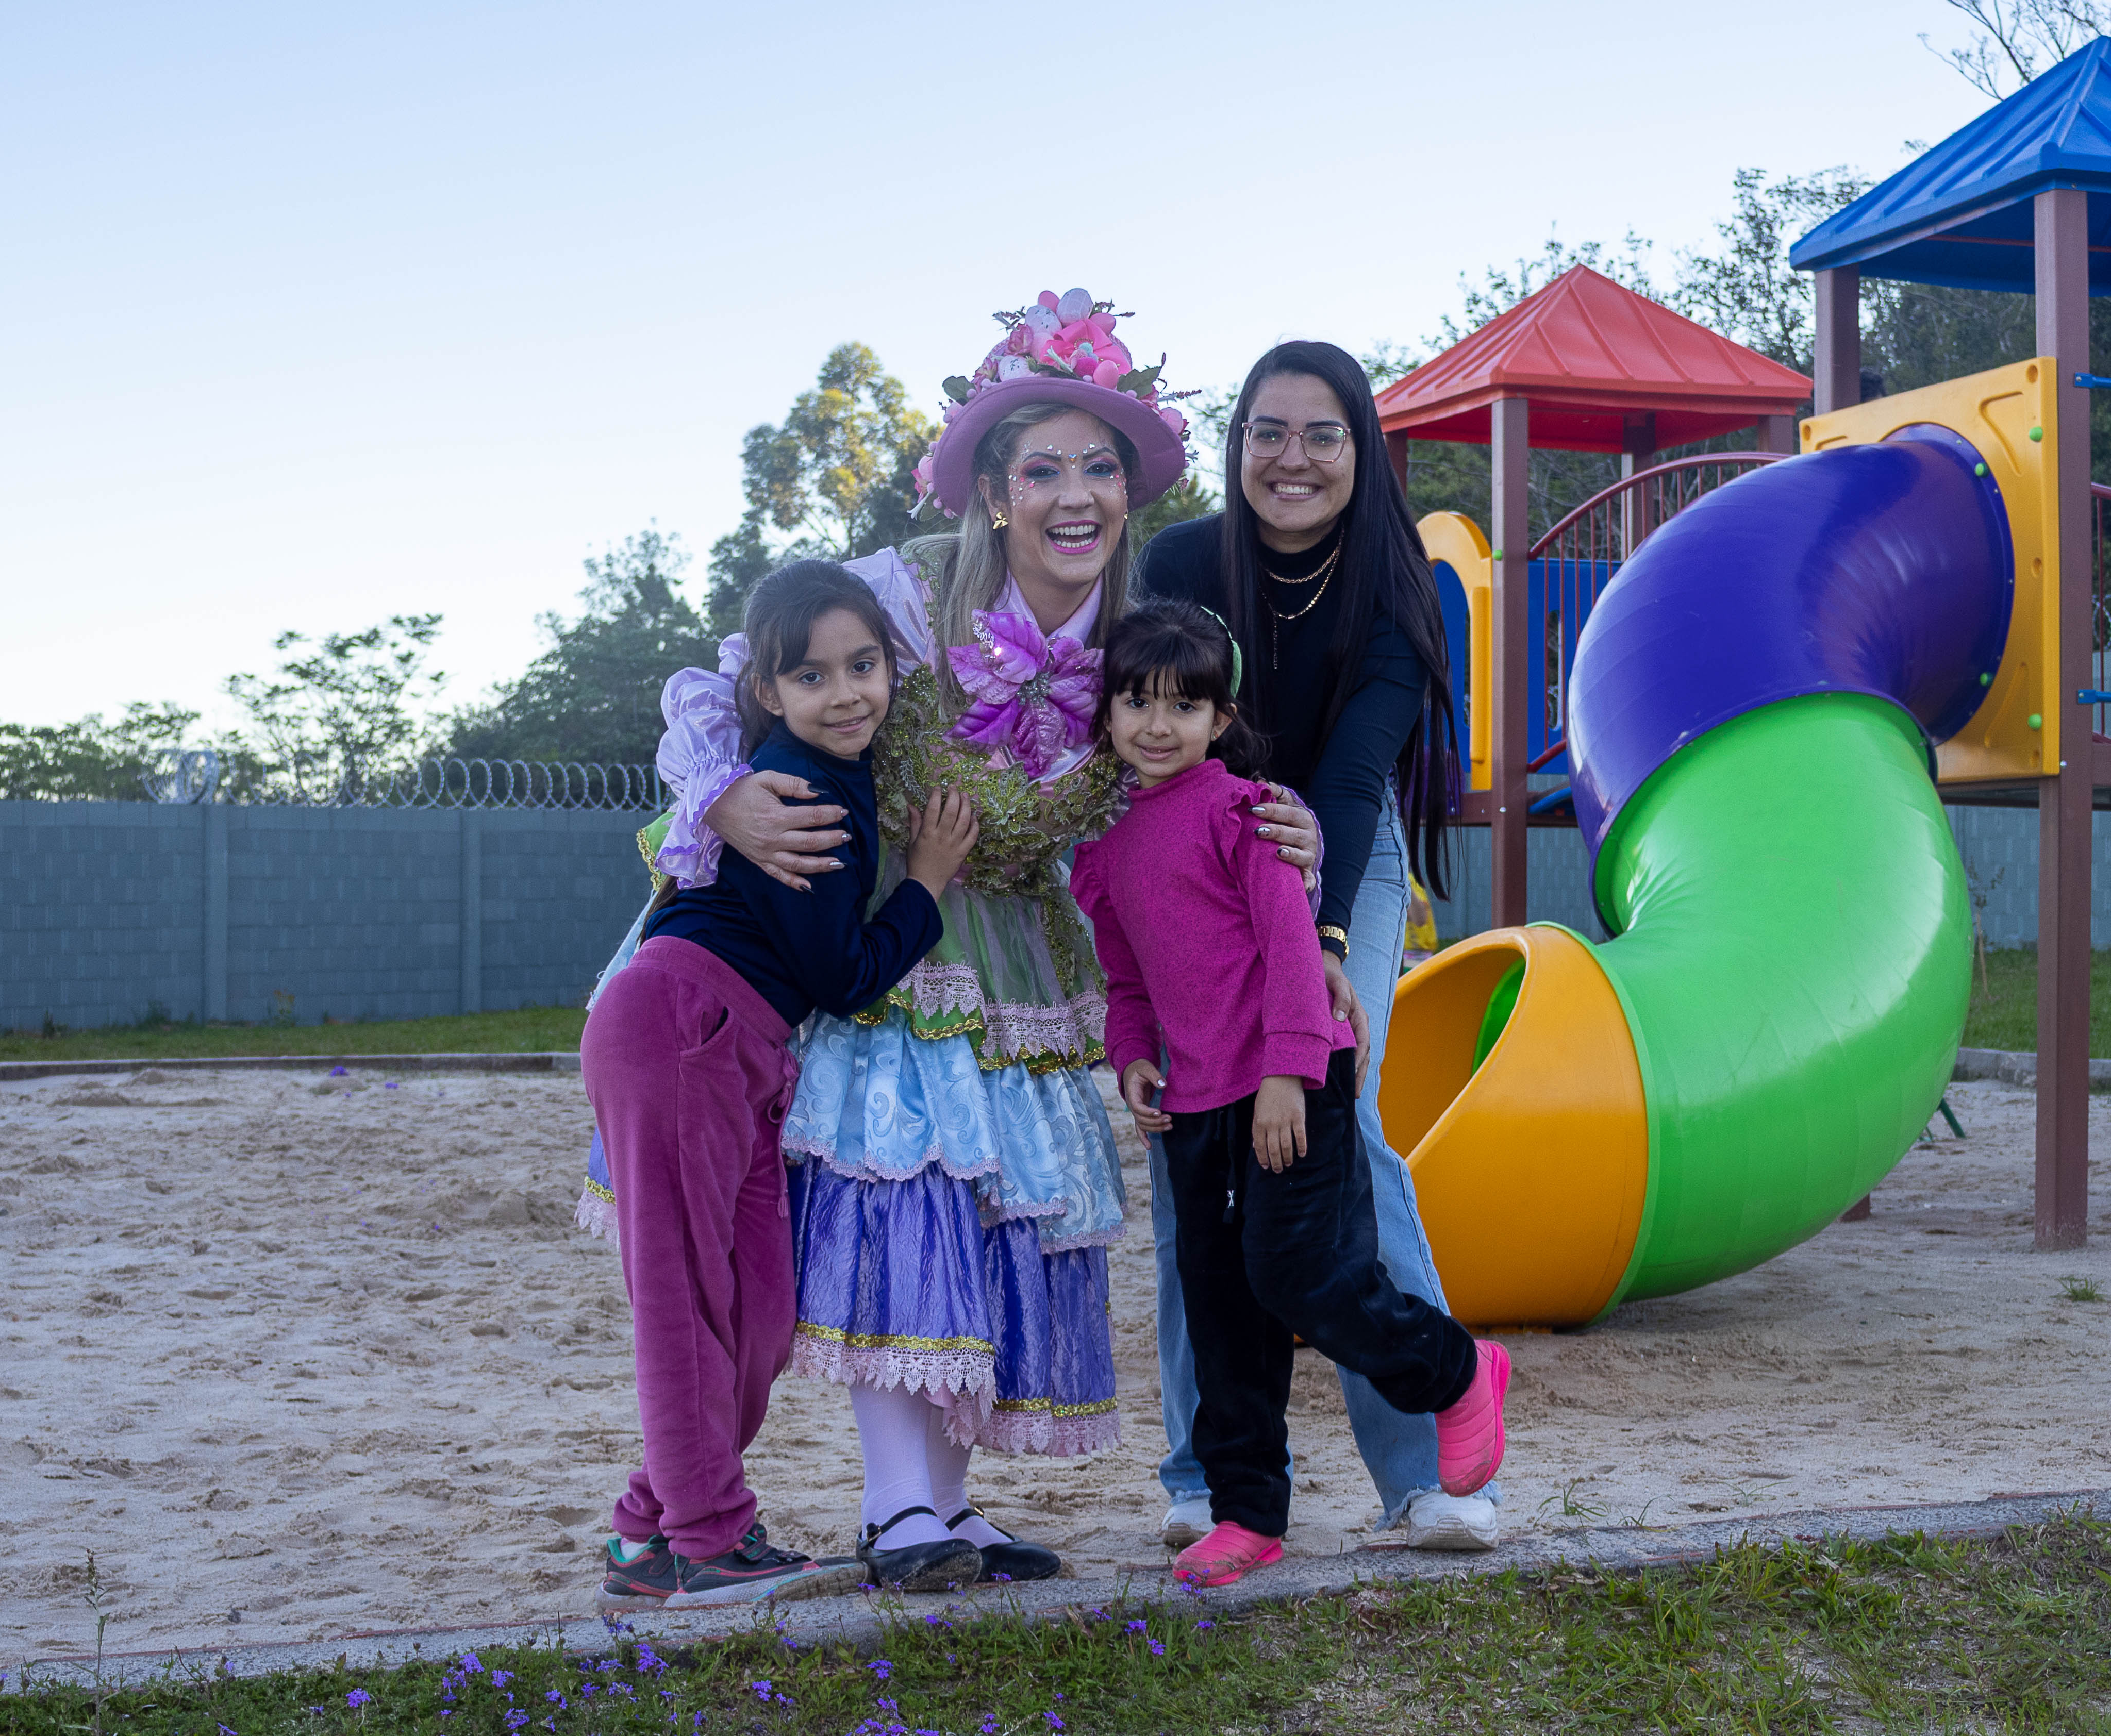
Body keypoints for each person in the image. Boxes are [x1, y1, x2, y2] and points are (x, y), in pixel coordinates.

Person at [593, 288, 1327, 1592]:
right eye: (1041, 468)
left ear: (1130, 489)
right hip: (878, 924)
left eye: (1099, 467)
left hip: (1023, 954)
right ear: (993, 490)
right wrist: (722, 794)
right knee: (901, 1197)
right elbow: (728, 680)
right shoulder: (902, 589)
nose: (1074, 496)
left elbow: (1197, 774)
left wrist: (1295, 837)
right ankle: (893, 1511)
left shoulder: (1140, 639)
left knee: (989, 1218)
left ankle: (941, 1502)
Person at [1132, 340, 1499, 1550]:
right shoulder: (1182, 562)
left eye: (1322, 434)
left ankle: (1429, 1469)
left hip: (1341, 844)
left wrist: (1324, 936)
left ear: (1362, 449)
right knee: (1196, 1135)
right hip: (1196, 846)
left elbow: (1347, 777)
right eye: (1268, 432)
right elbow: (1150, 726)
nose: (1292, 458)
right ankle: (1209, 1469)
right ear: (1239, 444)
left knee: (1344, 1118)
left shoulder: (1399, 578)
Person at [1068, 601, 1508, 1589]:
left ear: (1220, 719)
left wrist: (1287, 1076)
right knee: (1223, 1313)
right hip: (1193, 1105)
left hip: (1290, 1083)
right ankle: (1248, 1514)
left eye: (1184, 706)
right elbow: (1128, 982)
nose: (1156, 724)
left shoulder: (1248, 815)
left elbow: (1295, 951)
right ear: (1106, 712)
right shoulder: (1105, 849)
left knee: (1299, 1275)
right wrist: (1131, 1055)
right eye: (1136, 702)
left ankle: (1455, 1369)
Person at [583, 559, 979, 1612]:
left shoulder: (831, 774)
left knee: (761, 1313)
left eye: (864, 665)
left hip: (742, 1050)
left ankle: (649, 1530)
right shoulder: (799, 791)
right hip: (681, 1026)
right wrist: (927, 882)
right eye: (812, 676)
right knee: (685, 1298)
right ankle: (710, 1541)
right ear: (765, 689)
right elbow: (843, 978)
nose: (846, 694)